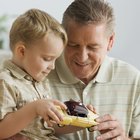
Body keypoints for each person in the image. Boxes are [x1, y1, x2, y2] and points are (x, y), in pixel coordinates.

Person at [48, 0, 140, 139]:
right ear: (62, 37)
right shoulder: (38, 74)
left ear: (110, 41)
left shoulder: (134, 80)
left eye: (92, 47)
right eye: (73, 45)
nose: (82, 57)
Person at [0, 8, 69, 140]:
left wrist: (81, 122)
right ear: (21, 51)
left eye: (55, 59)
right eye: (47, 59)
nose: (52, 67)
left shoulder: (41, 83)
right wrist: (34, 108)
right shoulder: (5, 81)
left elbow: (52, 127)